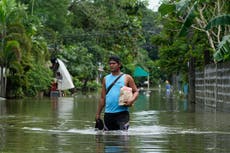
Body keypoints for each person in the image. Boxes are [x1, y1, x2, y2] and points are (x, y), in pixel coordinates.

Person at [95, 55, 139, 131]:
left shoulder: (127, 77)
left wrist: (132, 100)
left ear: (119, 65)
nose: (111, 65)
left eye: (113, 63)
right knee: (109, 139)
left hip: (122, 114)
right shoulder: (106, 79)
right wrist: (98, 114)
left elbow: (136, 92)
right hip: (108, 114)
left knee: (123, 138)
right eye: (110, 63)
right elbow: (102, 98)